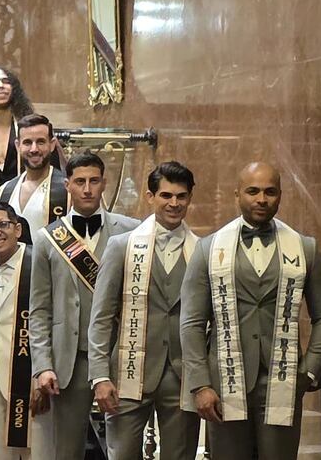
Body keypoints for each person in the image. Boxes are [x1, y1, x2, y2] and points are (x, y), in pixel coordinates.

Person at [179, 162, 321, 460]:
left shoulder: (305, 248)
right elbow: (191, 322)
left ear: (280, 196)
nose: (261, 199)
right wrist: (200, 384)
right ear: (237, 194)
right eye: (253, 191)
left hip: (284, 380)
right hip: (224, 382)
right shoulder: (208, 249)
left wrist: (309, 371)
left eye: (270, 192)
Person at [29, 150, 141, 460]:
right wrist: (43, 365)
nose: (88, 189)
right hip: (69, 359)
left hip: (119, 354)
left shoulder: (132, 231)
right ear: (67, 185)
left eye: (94, 181)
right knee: (67, 451)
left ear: (104, 183)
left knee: (125, 449)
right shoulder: (48, 238)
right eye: (80, 182)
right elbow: (39, 310)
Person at [89, 162, 201, 460]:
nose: (174, 203)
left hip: (182, 375)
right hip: (128, 370)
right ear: (150, 196)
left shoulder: (202, 250)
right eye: (166, 195)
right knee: (123, 454)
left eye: (181, 196)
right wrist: (99, 376)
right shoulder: (121, 246)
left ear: (190, 198)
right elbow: (101, 316)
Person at [0, 201, 45, 460]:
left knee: (36, 451)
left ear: (17, 229)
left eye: (2, 225)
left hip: (32, 373)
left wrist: (44, 371)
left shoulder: (39, 262)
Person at [0, 114, 68, 240]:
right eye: (27, 143)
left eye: (40, 142)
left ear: (52, 145)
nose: (34, 149)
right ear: (18, 146)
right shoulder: (5, 190)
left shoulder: (68, 189)